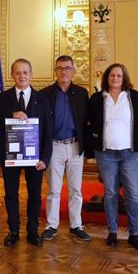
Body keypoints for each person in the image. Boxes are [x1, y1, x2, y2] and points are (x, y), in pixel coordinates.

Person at [0, 58, 53, 248]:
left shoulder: (42, 98)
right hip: (11, 157)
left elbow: (48, 131)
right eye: (17, 73)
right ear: (12, 75)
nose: (22, 76)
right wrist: (11, 116)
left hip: (35, 159)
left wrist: (45, 157)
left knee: (35, 194)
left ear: (31, 74)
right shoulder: (3, 98)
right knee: (11, 194)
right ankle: (14, 231)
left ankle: (33, 231)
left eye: (25, 72)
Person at [88, 63, 138, 250]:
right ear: (107, 77)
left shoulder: (134, 97)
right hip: (106, 154)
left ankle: (134, 233)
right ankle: (112, 231)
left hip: (131, 154)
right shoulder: (98, 98)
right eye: (112, 75)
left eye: (119, 76)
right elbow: (90, 123)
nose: (115, 78)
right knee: (111, 193)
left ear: (124, 79)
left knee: (132, 194)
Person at [40, 55, 90, 242]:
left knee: (76, 190)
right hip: (54, 146)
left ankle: (76, 225)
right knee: (54, 189)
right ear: (55, 71)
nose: (64, 72)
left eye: (67, 68)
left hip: (76, 145)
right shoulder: (44, 94)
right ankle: (52, 225)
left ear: (73, 71)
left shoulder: (82, 93)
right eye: (60, 68)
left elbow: (87, 121)